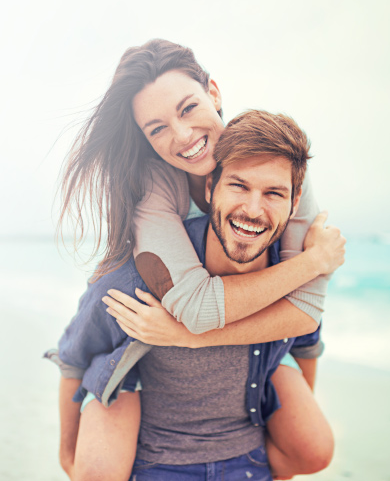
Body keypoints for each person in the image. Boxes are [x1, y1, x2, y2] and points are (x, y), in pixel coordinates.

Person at [52, 39, 345, 479]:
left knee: (314, 445)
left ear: (214, 92)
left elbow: (306, 314)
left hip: (252, 340)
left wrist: (190, 338)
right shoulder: (155, 185)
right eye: (157, 128)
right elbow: (195, 307)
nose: (183, 136)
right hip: (166, 327)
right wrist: (313, 262)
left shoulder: (273, 161)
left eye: (188, 108)